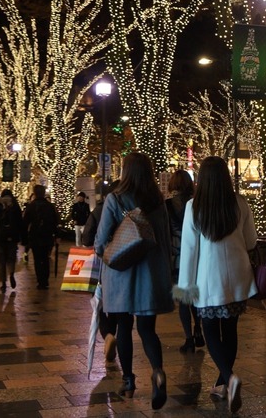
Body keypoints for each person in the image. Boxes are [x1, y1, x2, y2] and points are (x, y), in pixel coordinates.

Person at [173, 156, 258, 414]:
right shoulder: (240, 204)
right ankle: (223, 383)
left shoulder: (193, 207)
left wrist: (185, 288)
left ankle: (229, 378)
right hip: (238, 276)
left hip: (208, 280)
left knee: (210, 330)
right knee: (230, 329)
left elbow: (189, 250)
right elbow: (251, 241)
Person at [94, 152, 173, 410]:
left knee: (124, 328)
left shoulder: (115, 199)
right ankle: (158, 371)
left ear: (125, 172)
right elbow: (165, 240)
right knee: (148, 329)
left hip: (121, 277)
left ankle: (128, 382)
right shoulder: (159, 202)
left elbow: (100, 243)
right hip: (150, 277)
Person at [166, 169, 205, 353]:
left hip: (176, 257)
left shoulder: (166, 206)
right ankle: (198, 328)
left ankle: (188, 337)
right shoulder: (197, 204)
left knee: (183, 298)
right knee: (194, 294)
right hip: (197, 254)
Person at [82, 180, 120, 365]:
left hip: (100, 263)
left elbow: (87, 237)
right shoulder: (130, 209)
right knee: (116, 305)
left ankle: (107, 336)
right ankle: (112, 333)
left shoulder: (99, 210)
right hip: (122, 265)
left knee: (98, 304)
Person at [22, 184, 62, 289]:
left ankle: (40, 280)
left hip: (35, 236)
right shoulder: (50, 206)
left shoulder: (31, 206)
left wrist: (24, 238)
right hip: (47, 236)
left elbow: (25, 223)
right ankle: (45, 280)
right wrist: (57, 235)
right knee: (45, 258)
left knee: (37, 259)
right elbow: (56, 222)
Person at [0, 189, 23, 292]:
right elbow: (20, 222)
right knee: (11, 258)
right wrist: (21, 237)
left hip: (0, 237)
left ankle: (3, 283)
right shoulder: (15, 206)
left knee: (1, 260)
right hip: (12, 237)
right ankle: (11, 273)